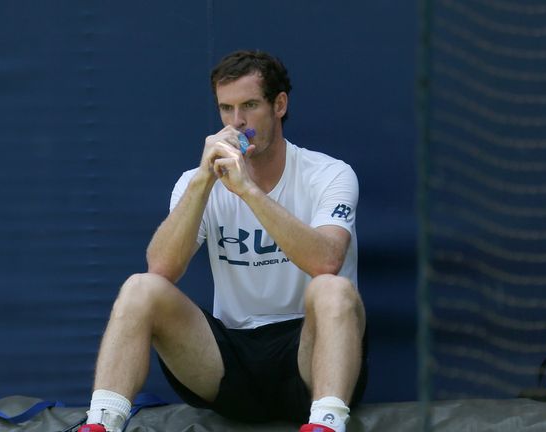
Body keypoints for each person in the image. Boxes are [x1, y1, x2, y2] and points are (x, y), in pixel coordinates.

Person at [79, 49, 367, 432]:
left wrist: (249, 191)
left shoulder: (329, 174)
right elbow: (162, 268)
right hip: (230, 364)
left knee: (332, 290)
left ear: (279, 105)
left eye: (249, 105)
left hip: (310, 359)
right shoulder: (195, 182)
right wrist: (202, 180)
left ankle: (328, 424)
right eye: (226, 109)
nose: (237, 122)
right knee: (140, 288)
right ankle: (100, 424)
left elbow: (326, 261)